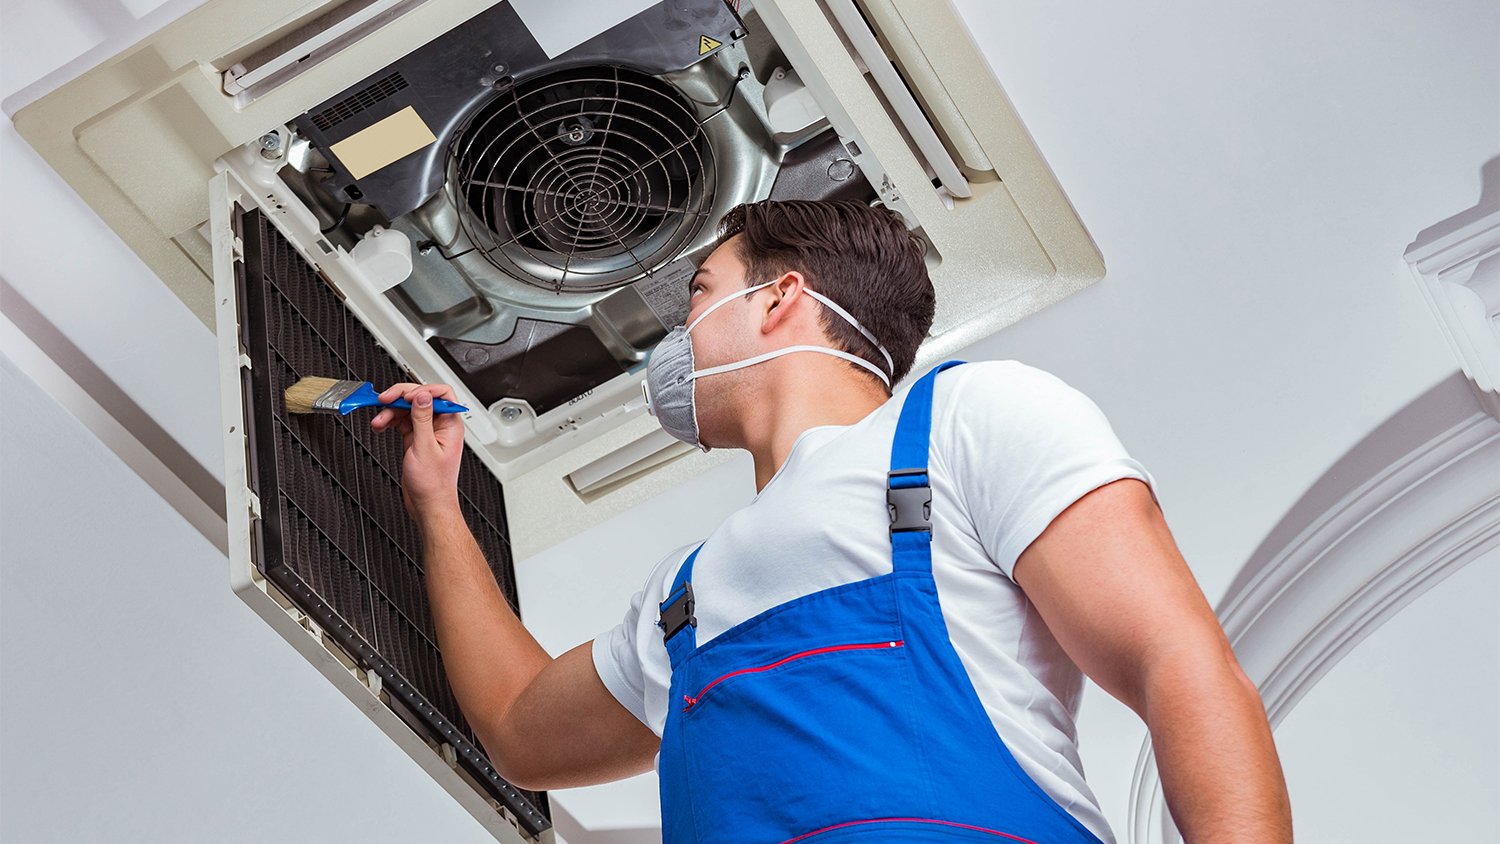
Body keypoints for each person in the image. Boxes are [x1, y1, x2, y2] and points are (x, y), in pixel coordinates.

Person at [371, 199, 1293, 842]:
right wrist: (438, 503)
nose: (675, 340)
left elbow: (1176, 663)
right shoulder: (681, 598)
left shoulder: (966, 422)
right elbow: (522, 732)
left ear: (779, 297)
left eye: (698, 293)